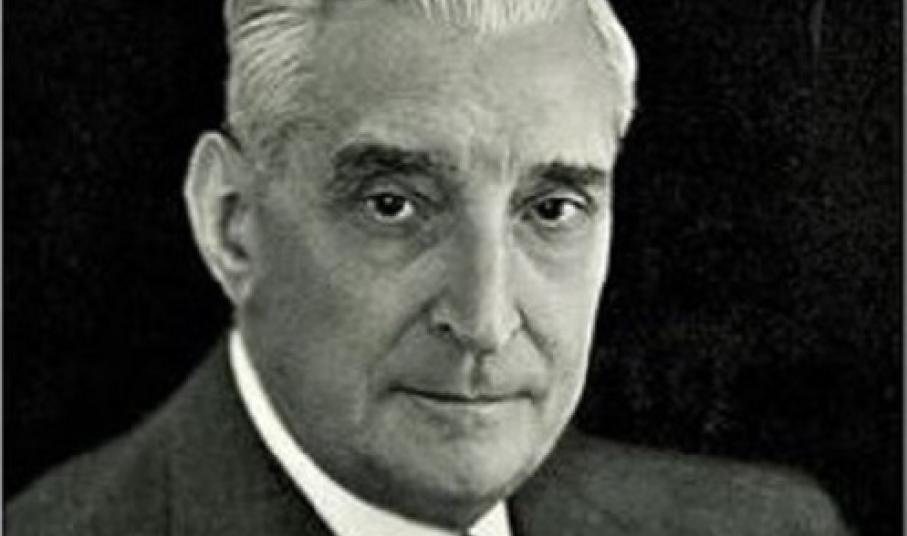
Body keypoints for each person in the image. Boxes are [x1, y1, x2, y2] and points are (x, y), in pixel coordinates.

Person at [6, 0, 852, 534]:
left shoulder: (767, 527)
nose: (485, 321)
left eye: (551, 209)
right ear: (232, 223)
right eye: (392, 205)